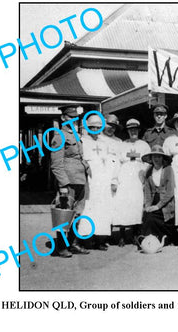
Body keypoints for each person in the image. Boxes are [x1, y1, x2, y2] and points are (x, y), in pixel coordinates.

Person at [50, 105, 89, 257]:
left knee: (78, 213)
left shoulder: (76, 135)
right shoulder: (59, 135)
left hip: (80, 179)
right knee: (64, 213)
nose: (73, 120)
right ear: (63, 118)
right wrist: (63, 184)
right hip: (68, 181)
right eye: (70, 117)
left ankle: (72, 243)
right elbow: (56, 163)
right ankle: (60, 247)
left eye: (75, 117)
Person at [78, 114, 116, 250]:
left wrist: (112, 179)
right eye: (92, 127)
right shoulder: (82, 141)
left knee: (102, 208)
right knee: (88, 208)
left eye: (98, 127)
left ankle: (100, 239)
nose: (95, 129)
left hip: (103, 180)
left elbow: (110, 161)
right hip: (89, 179)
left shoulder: (104, 142)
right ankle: (86, 238)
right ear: (87, 128)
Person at [113, 118, 151, 247]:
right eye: (131, 130)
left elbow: (148, 163)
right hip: (125, 177)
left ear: (139, 131)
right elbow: (117, 163)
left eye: (135, 129)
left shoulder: (144, 145)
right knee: (123, 205)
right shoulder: (122, 145)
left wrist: (145, 176)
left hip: (138, 177)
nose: (133, 132)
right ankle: (122, 236)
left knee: (137, 205)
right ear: (127, 131)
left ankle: (136, 235)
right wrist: (115, 179)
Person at [140, 145, 176, 246]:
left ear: (162, 158)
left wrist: (158, 206)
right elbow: (147, 191)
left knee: (159, 218)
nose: (156, 159)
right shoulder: (149, 171)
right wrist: (147, 206)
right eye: (154, 157)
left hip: (165, 203)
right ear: (151, 158)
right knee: (148, 216)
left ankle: (160, 240)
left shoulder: (168, 169)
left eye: (159, 157)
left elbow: (170, 191)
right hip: (153, 200)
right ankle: (148, 242)